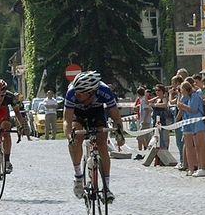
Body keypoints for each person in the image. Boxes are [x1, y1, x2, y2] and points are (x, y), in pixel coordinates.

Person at [63, 71, 124, 203]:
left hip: (96, 112)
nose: (77, 95)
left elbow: (116, 117)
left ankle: (107, 187)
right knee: (76, 139)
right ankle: (78, 175)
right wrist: (70, 137)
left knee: (102, 143)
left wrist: (119, 134)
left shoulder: (104, 91)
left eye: (81, 93)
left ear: (91, 92)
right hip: (77, 114)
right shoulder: (71, 93)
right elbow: (67, 121)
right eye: (77, 92)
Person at [177, 81, 205, 177]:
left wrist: (183, 106)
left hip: (199, 123)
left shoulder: (194, 96)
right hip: (193, 123)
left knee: (200, 146)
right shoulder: (189, 97)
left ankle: (203, 167)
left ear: (185, 90)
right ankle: (200, 168)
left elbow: (193, 109)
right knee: (197, 147)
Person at [148, 84, 170, 149]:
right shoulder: (156, 98)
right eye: (156, 90)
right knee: (156, 135)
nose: (157, 92)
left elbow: (164, 104)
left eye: (159, 90)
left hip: (161, 119)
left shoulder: (163, 98)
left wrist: (155, 105)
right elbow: (148, 102)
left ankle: (163, 148)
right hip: (155, 118)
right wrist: (154, 98)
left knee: (161, 136)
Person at [135, 87, 152, 160]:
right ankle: (148, 153)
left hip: (145, 122)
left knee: (140, 137)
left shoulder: (142, 100)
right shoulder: (144, 99)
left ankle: (140, 153)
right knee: (146, 138)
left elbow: (148, 109)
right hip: (145, 121)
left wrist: (144, 120)